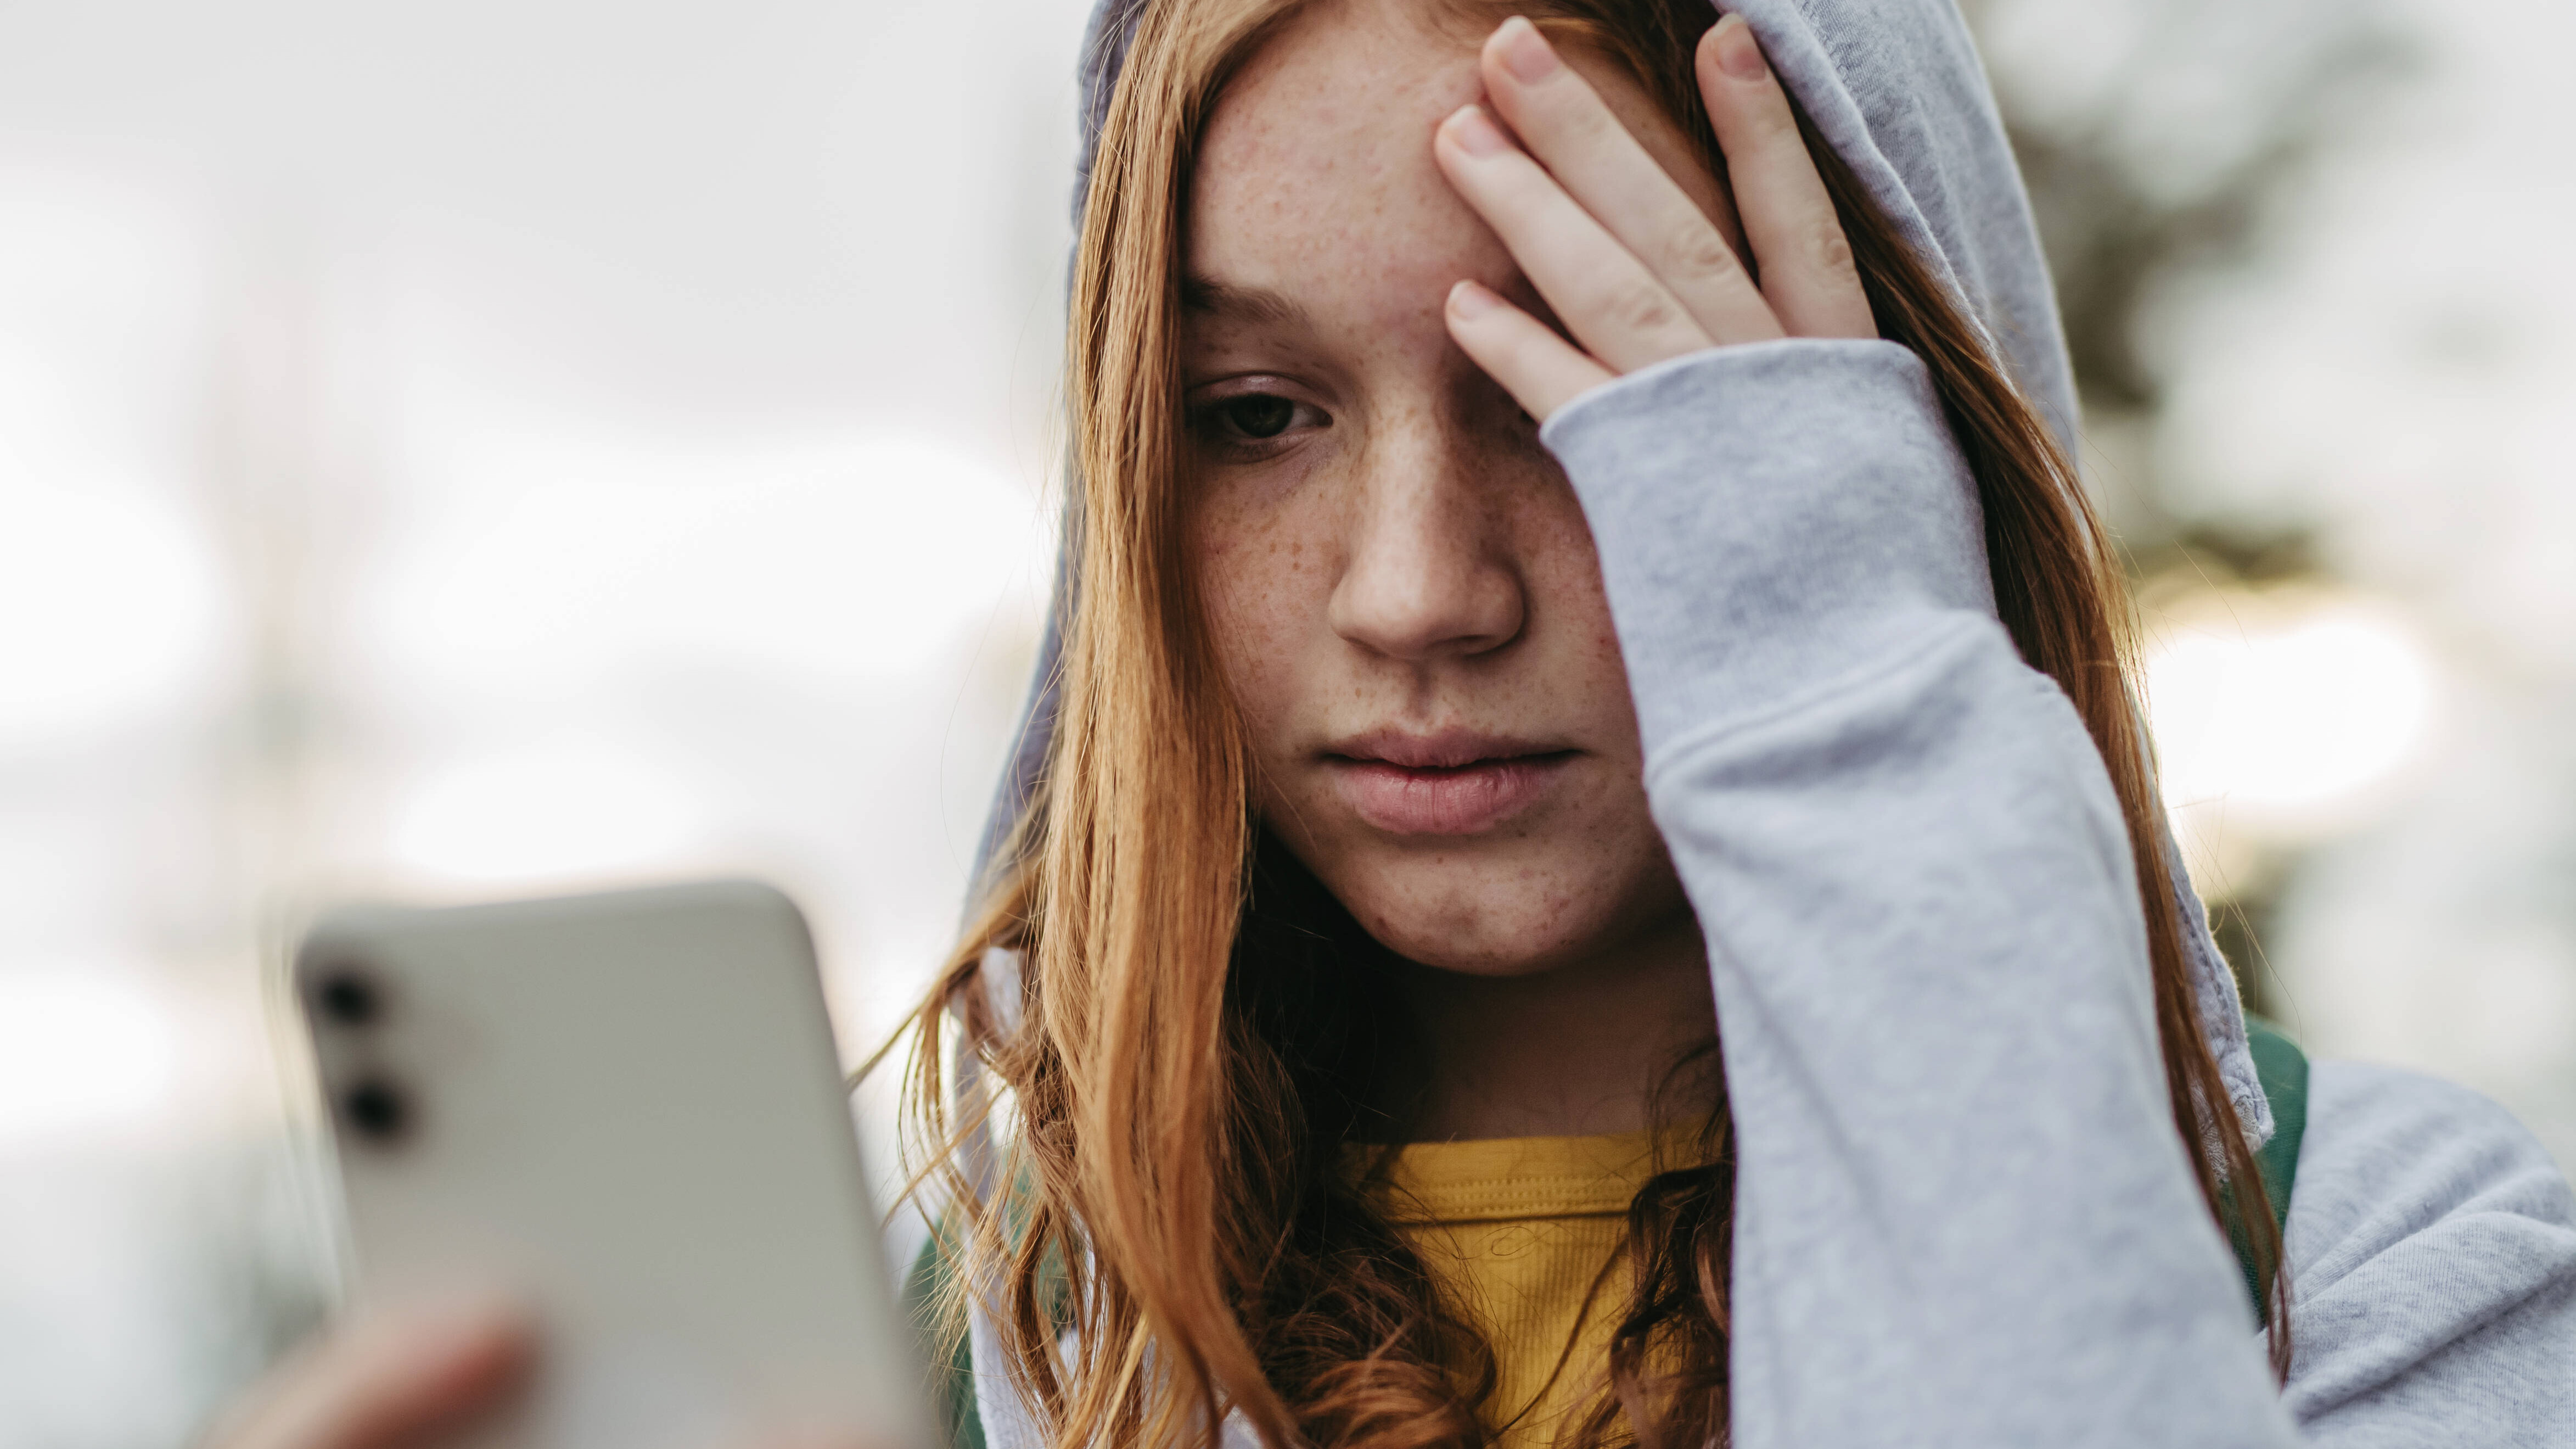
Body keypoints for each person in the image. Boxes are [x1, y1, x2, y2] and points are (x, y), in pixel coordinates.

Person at [206, 1, 2576, 1447]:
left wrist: (1840, 676)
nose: (1418, 591)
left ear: (1878, 453)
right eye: (1253, 417)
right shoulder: (967, 1362)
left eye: (1587, 394)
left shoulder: (2386, 1270)